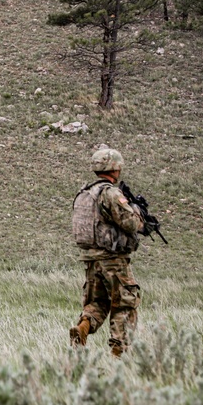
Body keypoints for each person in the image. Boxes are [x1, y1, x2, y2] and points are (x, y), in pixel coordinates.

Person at [70, 148, 146, 356]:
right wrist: (139, 215)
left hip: (91, 259)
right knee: (124, 303)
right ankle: (119, 352)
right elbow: (130, 222)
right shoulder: (110, 193)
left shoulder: (85, 192)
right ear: (115, 167)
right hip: (113, 259)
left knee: (98, 302)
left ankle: (83, 327)